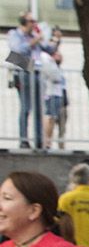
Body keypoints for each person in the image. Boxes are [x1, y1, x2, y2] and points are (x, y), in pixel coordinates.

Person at [8, 13, 43, 150]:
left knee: (39, 109)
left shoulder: (34, 35)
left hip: (37, 72)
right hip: (24, 72)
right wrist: (33, 42)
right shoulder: (15, 34)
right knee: (26, 107)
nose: (34, 24)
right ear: (24, 22)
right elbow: (16, 52)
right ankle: (24, 139)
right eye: (31, 21)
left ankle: (39, 139)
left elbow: (47, 48)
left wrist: (55, 40)